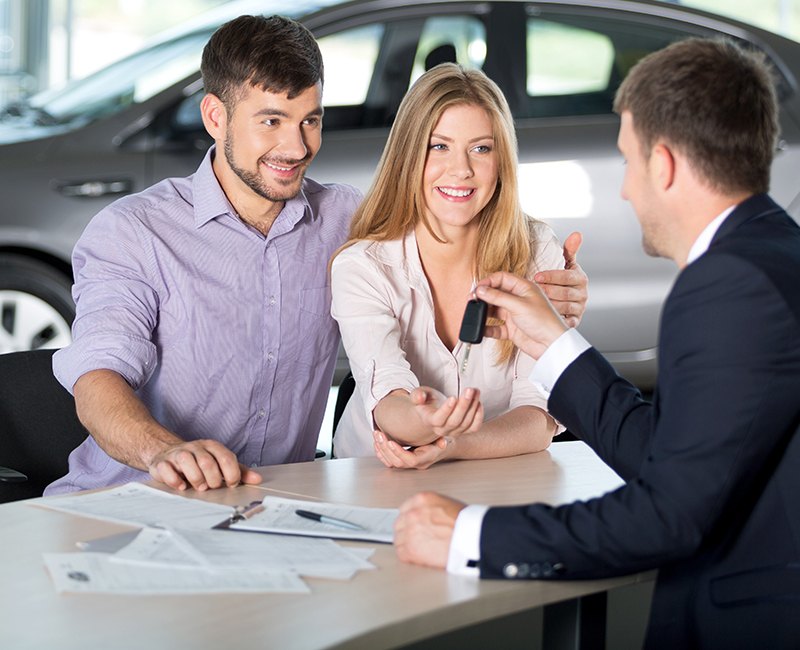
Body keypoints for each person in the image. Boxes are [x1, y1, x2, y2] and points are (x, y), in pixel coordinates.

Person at [46, 15, 587, 495]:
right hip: (132, 498)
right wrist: (161, 450)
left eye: (311, 120)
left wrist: (562, 300)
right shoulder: (135, 230)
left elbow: (449, 222)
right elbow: (97, 377)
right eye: (272, 120)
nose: (297, 146)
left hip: (274, 507)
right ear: (215, 117)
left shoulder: (350, 224)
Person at [393, 38, 800, 649]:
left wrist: (470, 536)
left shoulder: (726, 285)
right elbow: (670, 453)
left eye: (629, 164)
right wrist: (554, 342)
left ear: (663, 165)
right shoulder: (776, 252)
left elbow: (670, 514)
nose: (625, 191)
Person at [330, 64, 583, 467]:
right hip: (376, 475)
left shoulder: (537, 253)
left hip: (495, 473)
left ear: (501, 161)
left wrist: (453, 443)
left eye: (481, 148)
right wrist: (425, 420)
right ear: (408, 155)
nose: (461, 169)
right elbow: (389, 403)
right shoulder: (363, 266)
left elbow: (539, 417)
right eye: (439, 146)